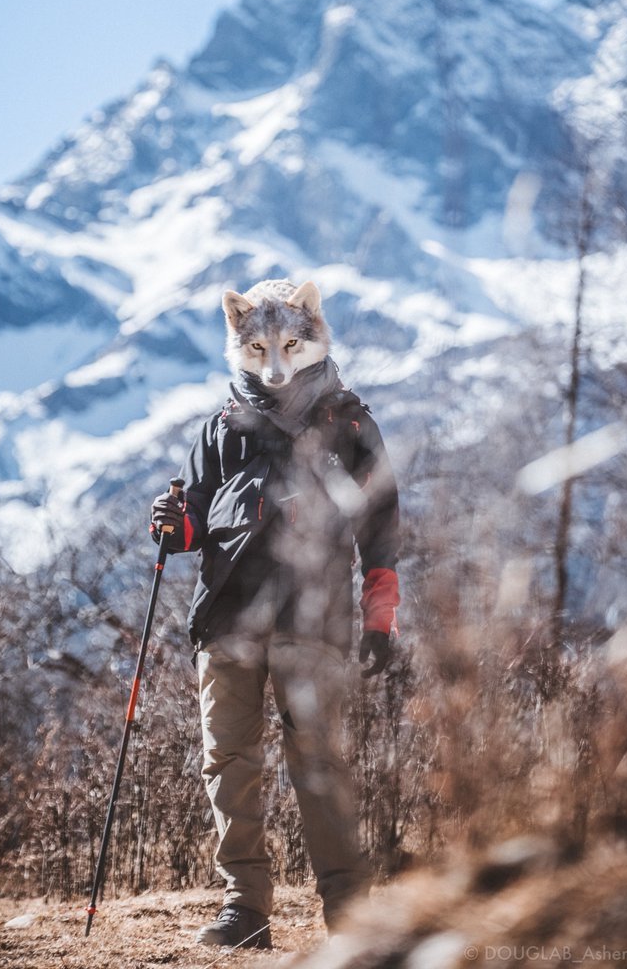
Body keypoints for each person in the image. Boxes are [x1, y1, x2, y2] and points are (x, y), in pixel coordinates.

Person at [151, 279, 400, 949]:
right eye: (259, 347)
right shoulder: (219, 427)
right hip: (227, 618)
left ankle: (350, 917)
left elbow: (380, 525)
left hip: (312, 618)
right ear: (237, 339)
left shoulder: (346, 421)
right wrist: (171, 526)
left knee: (317, 761)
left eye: (290, 344)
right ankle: (245, 912)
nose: (276, 362)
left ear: (313, 332)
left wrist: (381, 618)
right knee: (228, 759)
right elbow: (191, 524)